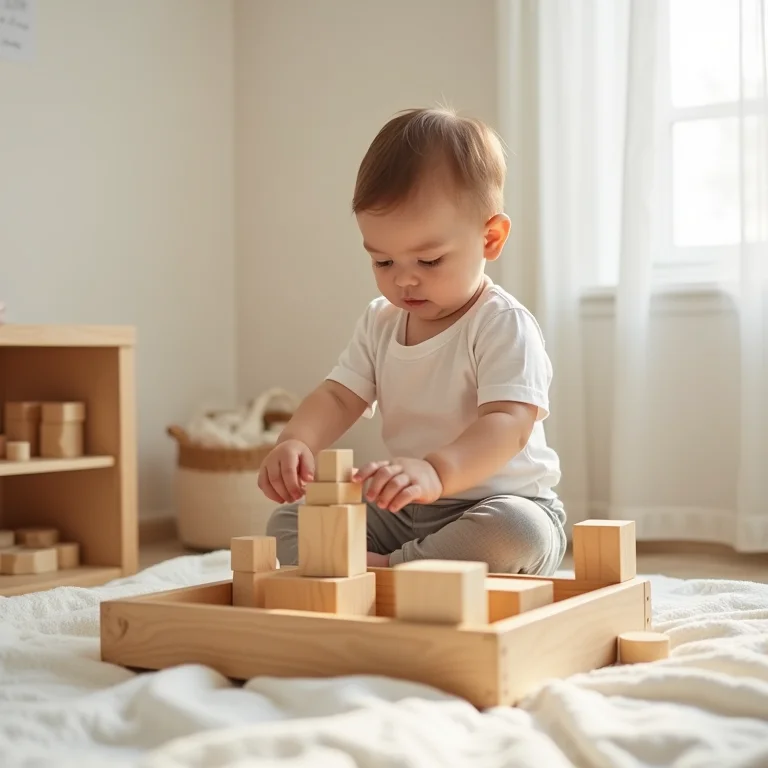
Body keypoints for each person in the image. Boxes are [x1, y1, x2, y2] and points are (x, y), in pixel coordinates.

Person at [261, 106, 566, 574]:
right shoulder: (381, 321)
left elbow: (509, 423)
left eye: (428, 262)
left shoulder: (502, 323)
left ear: (490, 238)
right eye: (383, 263)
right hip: (407, 510)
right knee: (288, 522)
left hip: (497, 503)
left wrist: (437, 471)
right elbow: (339, 396)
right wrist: (296, 440)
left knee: (518, 532)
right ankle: (401, 565)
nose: (404, 282)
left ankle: (390, 569)